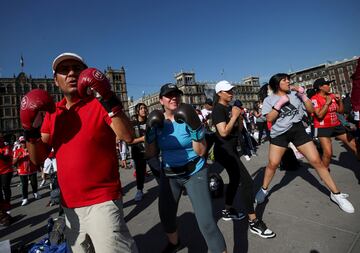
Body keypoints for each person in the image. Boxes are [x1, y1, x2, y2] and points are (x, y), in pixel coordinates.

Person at [20, 52, 138, 253]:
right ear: (56, 81)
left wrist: (108, 98)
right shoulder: (52, 114)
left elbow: (128, 136)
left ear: (85, 74)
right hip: (69, 207)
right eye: (64, 70)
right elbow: (38, 158)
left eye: (77, 68)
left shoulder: (98, 104)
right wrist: (29, 129)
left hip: (103, 201)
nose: (72, 73)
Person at [255, 73, 355, 214]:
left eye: (288, 79)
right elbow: (269, 119)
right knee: (273, 164)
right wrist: (278, 105)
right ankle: (264, 190)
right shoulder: (268, 100)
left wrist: (303, 96)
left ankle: (336, 194)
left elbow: (310, 110)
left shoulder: (295, 95)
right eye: (285, 80)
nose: (288, 82)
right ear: (277, 84)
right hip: (279, 134)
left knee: (317, 161)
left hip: (298, 130)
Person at [145, 83, 227, 253]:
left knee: (207, 223)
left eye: (176, 94)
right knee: (167, 217)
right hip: (169, 174)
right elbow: (151, 153)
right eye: (169, 95)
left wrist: (196, 130)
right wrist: (150, 134)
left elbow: (202, 151)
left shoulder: (189, 116)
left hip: (194, 171)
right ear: (161, 100)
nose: (173, 97)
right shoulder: (158, 121)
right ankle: (175, 243)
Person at [211, 80, 275, 239]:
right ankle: (253, 221)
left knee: (234, 181)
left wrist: (238, 117)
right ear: (219, 93)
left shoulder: (229, 108)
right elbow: (223, 132)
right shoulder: (218, 109)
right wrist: (234, 116)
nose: (231, 93)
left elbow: (238, 129)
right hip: (224, 151)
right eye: (228, 91)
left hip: (232, 149)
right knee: (247, 182)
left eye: (232, 90)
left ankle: (227, 210)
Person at [311, 78, 360, 169]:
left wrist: (339, 101)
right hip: (323, 127)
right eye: (327, 85)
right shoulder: (314, 99)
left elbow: (340, 111)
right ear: (320, 87)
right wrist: (327, 103)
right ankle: (325, 172)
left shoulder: (332, 95)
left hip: (336, 125)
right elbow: (319, 115)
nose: (329, 86)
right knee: (328, 153)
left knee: (355, 145)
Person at [13, 136, 41, 206]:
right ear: (20, 143)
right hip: (22, 171)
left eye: (24, 142)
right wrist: (18, 156)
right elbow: (13, 162)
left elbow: (36, 158)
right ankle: (25, 198)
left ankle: (35, 193)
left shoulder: (31, 149)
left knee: (34, 183)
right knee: (24, 185)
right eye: (22, 142)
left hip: (32, 169)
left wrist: (38, 166)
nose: (24, 144)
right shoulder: (17, 151)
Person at [129, 102, 148, 201]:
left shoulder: (150, 121)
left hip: (151, 151)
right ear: (137, 111)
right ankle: (139, 190)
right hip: (139, 152)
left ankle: (166, 189)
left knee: (157, 169)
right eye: (141, 108)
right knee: (140, 173)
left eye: (145, 108)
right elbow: (129, 141)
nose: (144, 110)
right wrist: (141, 139)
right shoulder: (133, 124)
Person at [0, 136, 13, 227]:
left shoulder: (6, 148)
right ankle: (3, 209)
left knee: (5, 187)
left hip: (6, 171)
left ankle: (7, 204)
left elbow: (6, 159)